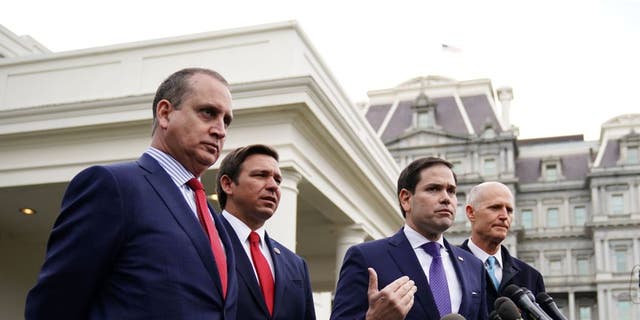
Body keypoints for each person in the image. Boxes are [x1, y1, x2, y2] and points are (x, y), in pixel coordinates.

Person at [25, 67, 238, 319]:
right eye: (208, 113)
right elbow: (53, 306)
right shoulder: (112, 186)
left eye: (226, 120)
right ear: (165, 113)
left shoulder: (214, 221)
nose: (220, 130)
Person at [331, 157, 488, 320]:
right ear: (406, 199)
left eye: (451, 191)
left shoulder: (473, 266)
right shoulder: (366, 257)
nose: (446, 198)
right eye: (433, 189)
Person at [216, 144, 316, 320]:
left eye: (277, 180)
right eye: (260, 175)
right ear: (228, 184)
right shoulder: (201, 243)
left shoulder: (296, 265)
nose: (273, 186)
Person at [460, 181, 545, 312]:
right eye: (495, 207)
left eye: (509, 210)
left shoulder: (531, 277)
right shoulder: (448, 268)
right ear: (471, 213)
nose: (504, 216)